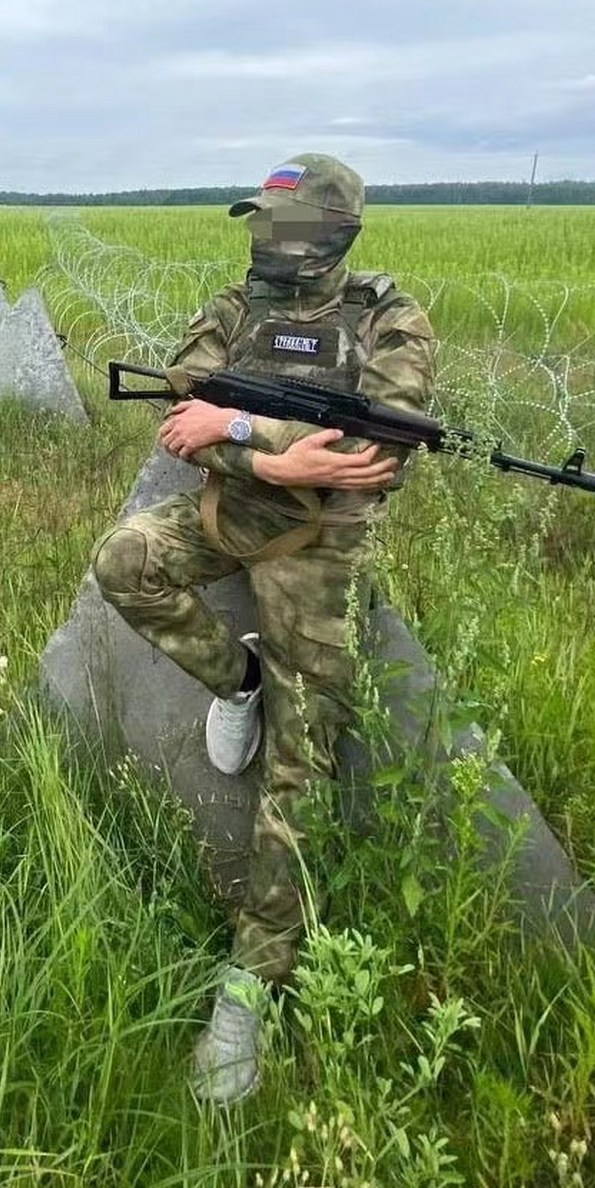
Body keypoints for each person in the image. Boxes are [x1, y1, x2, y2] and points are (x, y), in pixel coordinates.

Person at [89, 153, 437, 1103]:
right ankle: (236, 681)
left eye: (281, 225)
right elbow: (181, 406)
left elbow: (374, 457)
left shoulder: (388, 321)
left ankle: (250, 982)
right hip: (227, 518)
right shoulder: (234, 308)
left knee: (301, 762)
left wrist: (245, 439)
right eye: (257, 223)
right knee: (123, 561)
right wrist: (274, 458)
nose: (262, 241)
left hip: (317, 550)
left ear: (333, 232)